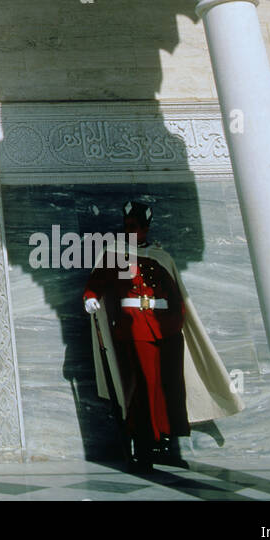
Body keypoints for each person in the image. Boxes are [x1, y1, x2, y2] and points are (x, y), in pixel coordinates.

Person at [83, 201, 242, 470]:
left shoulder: (162, 256)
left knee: (170, 386)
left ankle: (166, 443)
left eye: (138, 226)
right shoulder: (114, 255)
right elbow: (96, 283)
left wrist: (177, 322)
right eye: (129, 226)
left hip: (166, 328)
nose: (133, 230)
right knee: (144, 387)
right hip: (134, 328)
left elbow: (176, 294)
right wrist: (90, 297)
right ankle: (145, 444)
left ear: (146, 227)